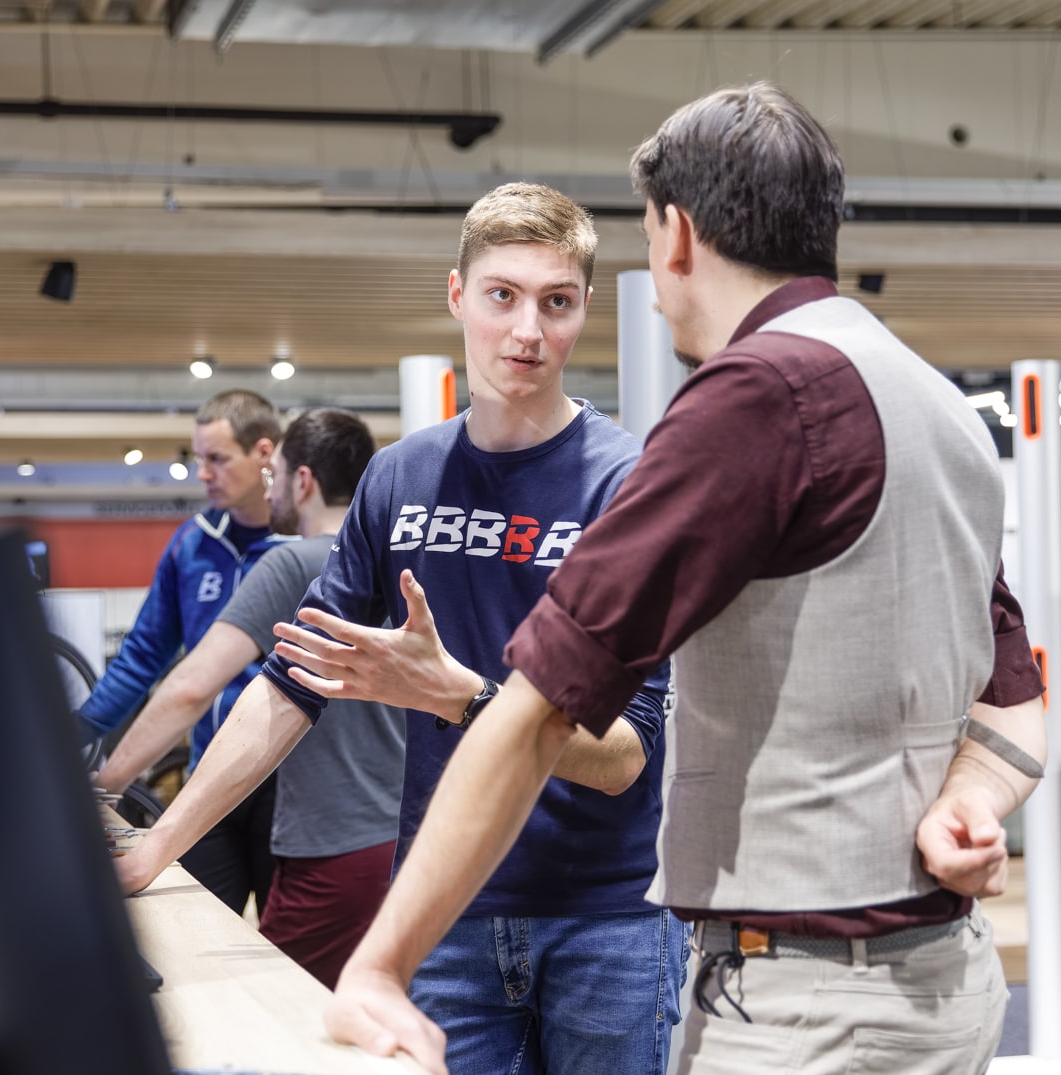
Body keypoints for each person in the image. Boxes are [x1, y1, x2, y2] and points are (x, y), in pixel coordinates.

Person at [321, 83, 1050, 1075]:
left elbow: (540, 712)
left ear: (677, 235)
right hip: (944, 988)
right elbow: (1015, 695)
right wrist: (971, 800)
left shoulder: (755, 397)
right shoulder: (938, 402)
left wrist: (380, 964)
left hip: (805, 1009)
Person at [117, 183, 685, 1075]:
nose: (527, 331)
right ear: (457, 295)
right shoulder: (401, 478)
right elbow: (290, 685)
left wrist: (462, 697)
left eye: (556, 302)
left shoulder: (625, 483)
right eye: (502, 295)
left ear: (584, 308)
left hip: (604, 919)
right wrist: (155, 846)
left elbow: (624, 757)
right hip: (446, 911)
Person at [94, 407, 405, 988]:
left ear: (303, 481)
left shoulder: (292, 562)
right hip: (394, 839)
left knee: (276, 1006)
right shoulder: (395, 563)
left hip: (328, 845)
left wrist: (105, 784)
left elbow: (191, 686)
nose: (271, 488)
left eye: (276, 474)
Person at [77, 388, 290, 917]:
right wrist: (75, 735)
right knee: (190, 922)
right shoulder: (191, 545)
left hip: (290, 786)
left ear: (264, 453)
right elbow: (141, 657)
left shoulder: (307, 546)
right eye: (199, 458)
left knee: (286, 947)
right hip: (208, 773)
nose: (203, 473)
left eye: (217, 458)